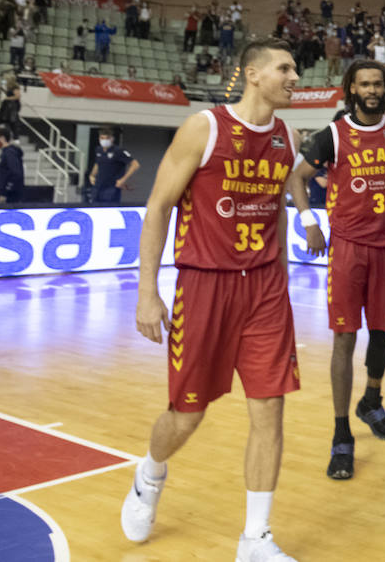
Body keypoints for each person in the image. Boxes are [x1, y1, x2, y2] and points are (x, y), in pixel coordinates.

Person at [120, 39, 302, 562]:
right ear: (253, 74)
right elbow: (157, 207)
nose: (294, 77)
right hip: (204, 285)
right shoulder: (205, 127)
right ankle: (150, 476)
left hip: (265, 289)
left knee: (270, 409)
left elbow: (277, 211)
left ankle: (255, 539)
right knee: (187, 414)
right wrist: (147, 292)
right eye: (284, 68)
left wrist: (283, 279)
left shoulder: (287, 135)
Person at [286, 59, 385, 481]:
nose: (371, 90)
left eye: (377, 83)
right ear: (352, 89)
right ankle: (341, 433)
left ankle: (371, 401)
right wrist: (309, 222)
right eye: (364, 84)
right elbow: (297, 178)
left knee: (383, 333)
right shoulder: (332, 134)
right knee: (345, 338)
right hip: (348, 250)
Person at [89, 126, 140, 204]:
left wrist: (123, 180)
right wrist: (92, 175)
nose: (104, 140)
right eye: (102, 138)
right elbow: (97, 163)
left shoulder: (119, 151)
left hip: (111, 188)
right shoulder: (98, 150)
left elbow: (135, 165)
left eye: (106, 138)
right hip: (98, 186)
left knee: (108, 209)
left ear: (112, 139)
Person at [0, 127, 24, 204]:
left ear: (2, 138)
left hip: (10, 196)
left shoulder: (10, 153)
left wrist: (5, 193)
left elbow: (16, 173)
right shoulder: (5, 152)